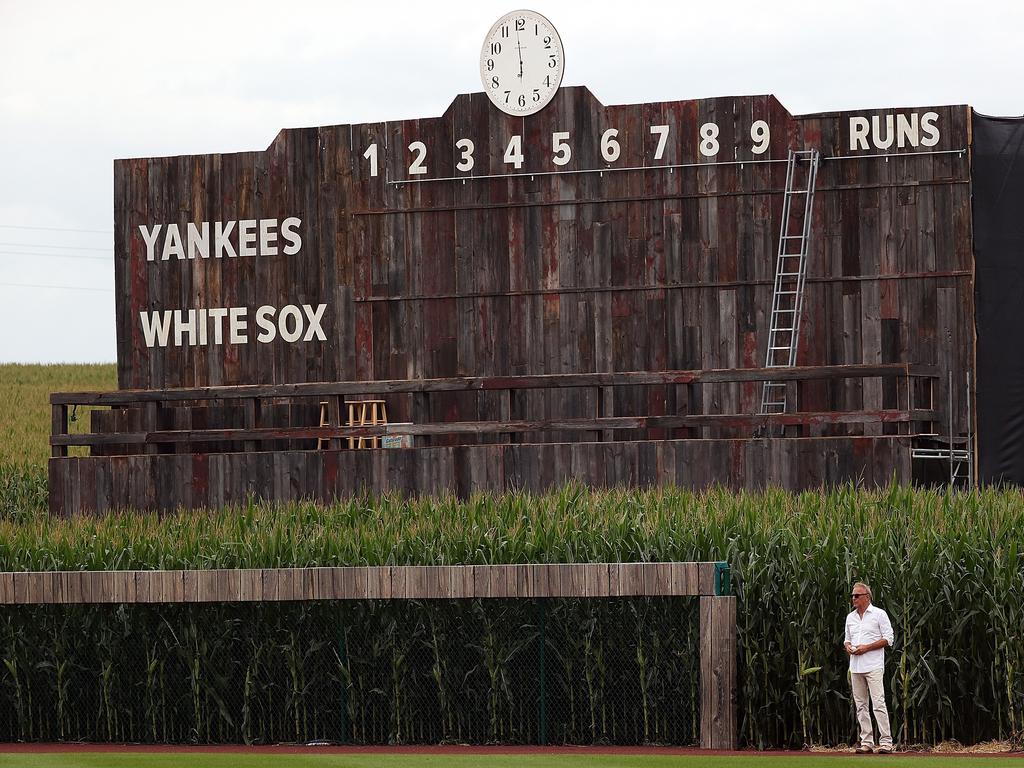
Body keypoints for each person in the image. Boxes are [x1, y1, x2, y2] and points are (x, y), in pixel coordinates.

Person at [844, 581, 895, 754]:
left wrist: (866, 647)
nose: (853, 598)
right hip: (855, 666)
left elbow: (889, 639)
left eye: (857, 596)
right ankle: (867, 742)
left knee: (878, 703)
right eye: (852, 596)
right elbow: (847, 638)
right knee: (860, 705)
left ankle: (886, 742)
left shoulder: (879, 614)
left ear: (867, 597)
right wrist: (849, 647)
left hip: (873, 665)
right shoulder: (850, 617)